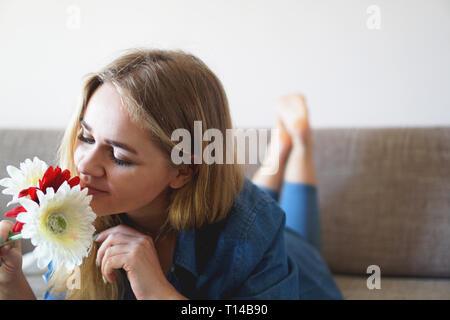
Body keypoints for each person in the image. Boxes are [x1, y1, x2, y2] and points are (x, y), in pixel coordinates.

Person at [0, 48, 341, 300]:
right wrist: (11, 281)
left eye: (118, 155)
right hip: (226, 204)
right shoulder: (70, 215)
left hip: (296, 264)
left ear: (183, 170)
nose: (85, 165)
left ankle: (297, 144)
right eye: (86, 137)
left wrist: (157, 291)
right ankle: (278, 152)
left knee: (294, 235)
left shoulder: (254, 227)